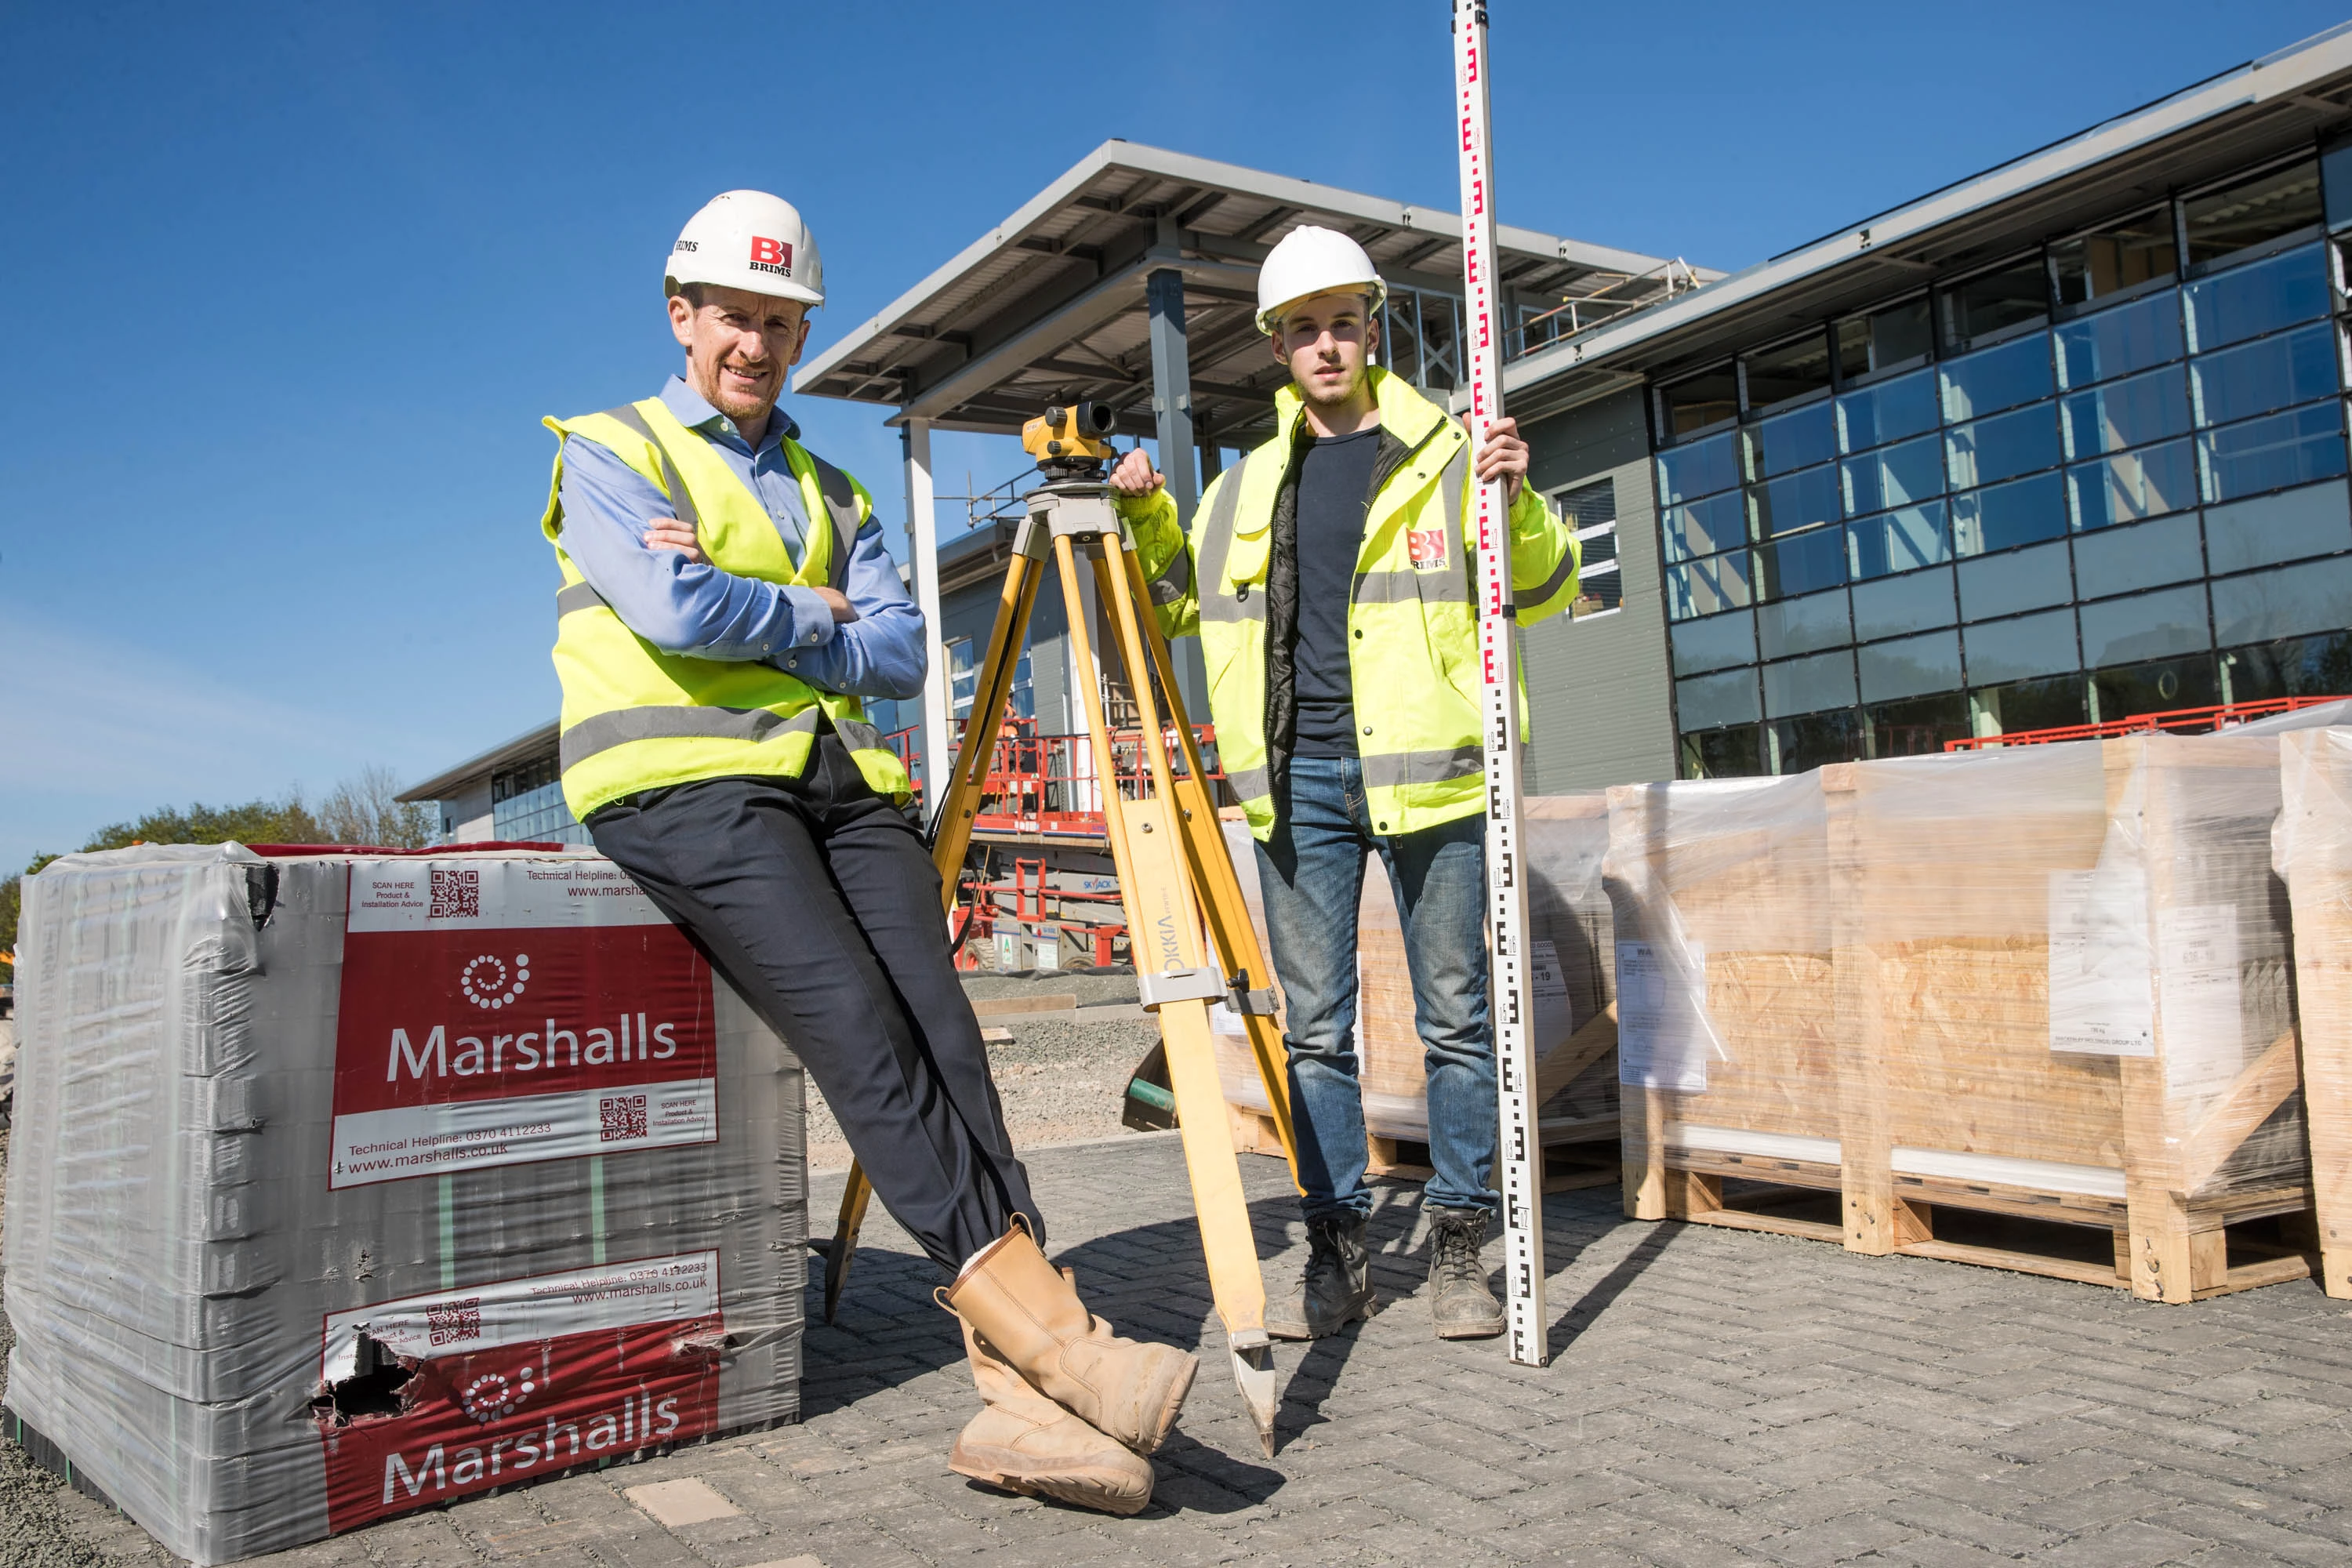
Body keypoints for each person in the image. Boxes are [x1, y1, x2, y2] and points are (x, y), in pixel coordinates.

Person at [539, 191, 1193, 1515]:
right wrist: (819, 605)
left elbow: (899, 647)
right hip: (682, 787)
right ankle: (1066, 1356)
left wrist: (774, 614)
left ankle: (1025, 1405)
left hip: (835, 784)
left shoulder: (832, 483)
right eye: (736, 316)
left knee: (949, 1042)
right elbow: (668, 604)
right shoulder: (610, 451)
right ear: (683, 315)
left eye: (781, 323)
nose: (758, 343)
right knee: (861, 1038)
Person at [1109, 226, 1580, 1341]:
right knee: (1316, 1033)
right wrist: (1140, 510)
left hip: (1437, 783)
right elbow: (1175, 602)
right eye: (1303, 328)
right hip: (1298, 783)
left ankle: (1466, 1242)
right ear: (1277, 346)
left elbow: (1549, 586)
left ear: (1372, 330)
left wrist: (1513, 497)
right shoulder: (1242, 490)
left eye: (1343, 323)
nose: (1326, 345)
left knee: (1457, 1020)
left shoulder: (1458, 454)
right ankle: (1337, 1246)